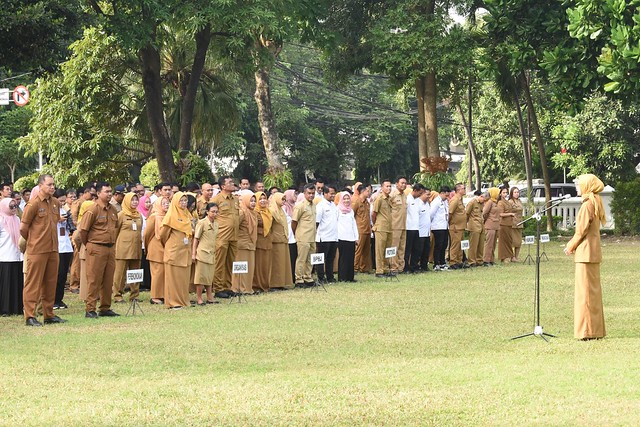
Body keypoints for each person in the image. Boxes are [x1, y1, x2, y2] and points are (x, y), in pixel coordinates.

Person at [564, 174, 607, 340]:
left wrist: (570, 246)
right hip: (593, 252)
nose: (577, 187)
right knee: (593, 293)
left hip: (585, 253)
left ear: (587, 186)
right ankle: (595, 330)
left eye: (578, 184)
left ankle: (586, 331)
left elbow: (580, 231)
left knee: (585, 294)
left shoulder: (587, 205)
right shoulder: (596, 202)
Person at [20, 174, 65, 326]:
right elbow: (23, 228)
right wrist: (33, 240)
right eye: (49, 185)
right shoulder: (33, 204)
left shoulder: (55, 202)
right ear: (40, 186)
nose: (52, 187)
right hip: (37, 249)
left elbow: (55, 222)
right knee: (33, 283)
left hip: (53, 248)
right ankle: (30, 316)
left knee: (50, 283)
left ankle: (49, 315)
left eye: (53, 185)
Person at [79, 182, 120, 318]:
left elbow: (116, 228)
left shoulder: (113, 210)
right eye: (106, 191)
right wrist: (89, 244)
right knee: (94, 279)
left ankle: (105, 307)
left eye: (110, 191)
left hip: (110, 248)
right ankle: (90, 308)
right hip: (96, 247)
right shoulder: (92, 209)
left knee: (108, 279)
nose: (109, 194)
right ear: (98, 193)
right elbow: (83, 231)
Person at [159, 192, 193, 309]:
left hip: (185, 251)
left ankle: (183, 300)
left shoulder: (187, 215)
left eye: (185, 201)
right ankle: (173, 302)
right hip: (174, 251)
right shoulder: (170, 216)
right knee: (173, 278)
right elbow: (163, 235)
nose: (184, 203)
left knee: (183, 278)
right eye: (181, 201)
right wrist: (172, 244)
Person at [112, 192, 143, 303]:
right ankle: (117, 295)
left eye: (136, 200)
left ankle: (134, 295)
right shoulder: (121, 215)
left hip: (136, 247)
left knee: (136, 272)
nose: (135, 202)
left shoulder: (139, 215)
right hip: (123, 248)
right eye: (132, 200)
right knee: (120, 273)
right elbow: (115, 231)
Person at [212, 176, 240, 299]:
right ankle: (218, 288)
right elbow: (211, 216)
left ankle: (227, 287)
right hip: (221, 236)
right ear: (223, 186)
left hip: (234, 235)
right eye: (230, 182)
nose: (233, 184)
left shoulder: (235, 199)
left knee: (230, 263)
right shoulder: (216, 199)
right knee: (219, 263)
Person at [0, 197, 24, 316]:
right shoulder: (1, 220)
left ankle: (16, 308)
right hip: (4, 257)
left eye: (15, 206)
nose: (14, 208)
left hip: (17, 256)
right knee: (6, 285)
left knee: (16, 283)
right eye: (11, 206)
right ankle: (5, 309)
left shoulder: (17, 219)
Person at [192, 202, 219, 305]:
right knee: (200, 277)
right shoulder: (202, 223)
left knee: (209, 276)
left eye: (216, 212)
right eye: (212, 211)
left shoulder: (216, 224)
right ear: (207, 212)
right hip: (202, 253)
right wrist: (193, 253)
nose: (214, 214)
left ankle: (209, 297)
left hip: (212, 253)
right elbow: (196, 239)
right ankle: (199, 298)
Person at [144, 197, 169, 305]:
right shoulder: (154, 216)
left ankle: (163, 294)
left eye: (167, 203)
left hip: (165, 246)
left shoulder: (168, 216)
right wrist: (148, 246)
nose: (166, 205)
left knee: (164, 272)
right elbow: (147, 234)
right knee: (157, 273)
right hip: (155, 247)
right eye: (164, 203)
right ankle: (155, 296)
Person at [292, 184, 317, 287]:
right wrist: (296, 234)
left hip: (312, 237)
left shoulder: (314, 205)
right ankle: (299, 279)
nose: (311, 195)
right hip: (303, 237)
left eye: (313, 193)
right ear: (304, 193)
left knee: (310, 258)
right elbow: (294, 222)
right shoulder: (300, 206)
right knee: (301, 259)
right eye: (309, 193)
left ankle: (308, 277)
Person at [232, 193, 257, 295]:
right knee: (241, 267)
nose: (253, 203)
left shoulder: (253, 213)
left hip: (250, 244)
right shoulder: (242, 212)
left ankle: (247, 288)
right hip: (242, 244)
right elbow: (234, 226)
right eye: (251, 201)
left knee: (249, 267)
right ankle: (238, 288)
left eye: (254, 201)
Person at [269, 192, 293, 290]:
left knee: (282, 262)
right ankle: (274, 284)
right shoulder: (272, 210)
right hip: (275, 240)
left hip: (283, 238)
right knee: (276, 263)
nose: (284, 201)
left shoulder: (281, 210)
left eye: (284, 199)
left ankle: (282, 283)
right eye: (282, 199)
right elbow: (269, 227)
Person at [54, 189, 73, 310]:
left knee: (63, 275)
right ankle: (53, 299)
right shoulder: (51, 211)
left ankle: (59, 299)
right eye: (60, 201)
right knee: (57, 274)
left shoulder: (65, 210)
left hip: (66, 245)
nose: (62, 203)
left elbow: (71, 227)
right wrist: (58, 219)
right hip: (57, 246)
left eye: (63, 201)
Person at [315, 185, 338, 283]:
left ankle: (330, 277)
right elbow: (316, 222)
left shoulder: (333, 205)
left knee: (330, 258)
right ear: (325, 194)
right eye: (331, 193)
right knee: (321, 259)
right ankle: (320, 277)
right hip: (323, 237)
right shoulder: (320, 206)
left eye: (334, 194)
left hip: (333, 237)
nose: (333, 195)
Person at [372, 180, 393, 278]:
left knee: (388, 250)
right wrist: (376, 224)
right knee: (380, 250)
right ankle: (379, 270)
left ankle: (386, 268)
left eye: (390, 186)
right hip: (381, 227)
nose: (389, 188)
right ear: (382, 188)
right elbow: (374, 214)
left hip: (389, 227)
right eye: (387, 186)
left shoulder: (389, 199)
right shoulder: (379, 199)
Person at [336, 192, 359, 282]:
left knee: (350, 258)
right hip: (341, 237)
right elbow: (335, 223)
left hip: (351, 237)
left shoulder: (351, 211)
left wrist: (356, 237)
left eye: (348, 198)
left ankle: (350, 277)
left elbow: (354, 225)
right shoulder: (337, 210)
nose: (346, 201)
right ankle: (342, 277)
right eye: (344, 199)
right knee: (343, 258)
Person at [253, 191, 273, 293]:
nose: (262, 201)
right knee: (259, 265)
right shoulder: (255, 212)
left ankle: (266, 285)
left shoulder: (268, 211)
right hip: (259, 242)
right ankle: (257, 286)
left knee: (266, 264)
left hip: (267, 241)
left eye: (264, 198)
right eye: (260, 199)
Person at [404, 183, 424, 273]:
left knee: (416, 248)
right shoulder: (407, 199)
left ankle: (414, 266)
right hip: (409, 227)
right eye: (420, 193)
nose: (420, 195)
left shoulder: (418, 200)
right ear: (415, 191)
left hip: (416, 227)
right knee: (408, 249)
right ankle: (406, 267)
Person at [352, 183, 372, 274]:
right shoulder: (356, 202)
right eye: (367, 191)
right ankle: (355, 268)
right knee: (358, 250)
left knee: (366, 250)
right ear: (363, 191)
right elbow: (352, 215)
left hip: (367, 229)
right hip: (360, 229)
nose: (369, 192)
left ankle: (364, 268)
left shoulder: (367, 202)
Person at [389, 176, 408, 274]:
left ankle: (400, 267)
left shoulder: (404, 195)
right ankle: (393, 267)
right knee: (393, 247)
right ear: (396, 184)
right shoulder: (392, 195)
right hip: (394, 226)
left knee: (402, 248)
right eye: (402, 183)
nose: (404, 185)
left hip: (403, 225)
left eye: (405, 183)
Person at [430, 186, 450, 271]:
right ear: (441, 193)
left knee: (444, 245)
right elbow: (431, 214)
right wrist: (432, 225)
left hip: (445, 226)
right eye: (446, 195)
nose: (447, 197)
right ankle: (436, 263)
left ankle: (442, 262)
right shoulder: (436, 202)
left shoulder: (445, 201)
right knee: (438, 245)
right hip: (437, 227)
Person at [465, 191, 487, 267]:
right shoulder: (472, 202)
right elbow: (466, 214)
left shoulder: (482, 204)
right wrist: (466, 224)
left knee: (481, 244)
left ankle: (479, 260)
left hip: (481, 225)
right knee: (473, 245)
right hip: (474, 226)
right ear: (480, 196)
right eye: (484, 199)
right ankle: (472, 261)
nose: (484, 201)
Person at [448, 183, 467, 269]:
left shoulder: (460, 199)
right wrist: (451, 224)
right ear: (458, 190)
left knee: (460, 244)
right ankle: (453, 261)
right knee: (455, 245)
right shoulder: (455, 200)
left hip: (461, 226)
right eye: (463, 188)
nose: (465, 190)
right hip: (455, 227)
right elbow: (450, 213)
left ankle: (459, 261)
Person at [497, 186, 515, 263]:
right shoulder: (500, 203)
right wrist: (510, 214)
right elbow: (501, 214)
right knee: (503, 241)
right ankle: (503, 257)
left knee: (509, 240)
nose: (505, 194)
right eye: (503, 192)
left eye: (506, 192)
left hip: (509, 223)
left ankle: (510, 255)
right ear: (500, 194)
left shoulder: (507, 201)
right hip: (503, 224)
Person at [482, 187, 500, 266]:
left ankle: (491, 259)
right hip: (490, 225)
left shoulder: (496, 202)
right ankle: (486, 260)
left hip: (496, 225)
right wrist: (487, 220)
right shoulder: (489, 202)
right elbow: (484, 213)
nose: (499, 195)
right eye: (498, 193)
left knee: (493, 244)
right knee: (489, 244)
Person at [283, 189, 298, 281]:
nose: (295, 196)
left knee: (294, 258)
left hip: (295, 237)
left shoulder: (296, 206)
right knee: (289, 259)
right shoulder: (284, 208)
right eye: (294, 194)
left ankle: (293, 277)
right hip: (288, 236)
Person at [417, 188, 432, 272]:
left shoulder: (427, 204)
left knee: (426, 250)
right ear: (422, 194)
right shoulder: (418, 204)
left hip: (427, 231)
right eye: (427, 194)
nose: (429, 196)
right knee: (419, 250)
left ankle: (424, 266)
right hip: (420, 231)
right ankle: (417, 266)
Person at [509, 186, 524, 262]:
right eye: (515, 192)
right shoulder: (510, 202)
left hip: (520, 222)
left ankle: (516, 256)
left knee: (519, 241)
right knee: (513, 241)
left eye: (517, 192)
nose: (516, 193)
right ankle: (512, 257)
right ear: (512, 193)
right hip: (513, 223)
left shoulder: (519, 201)